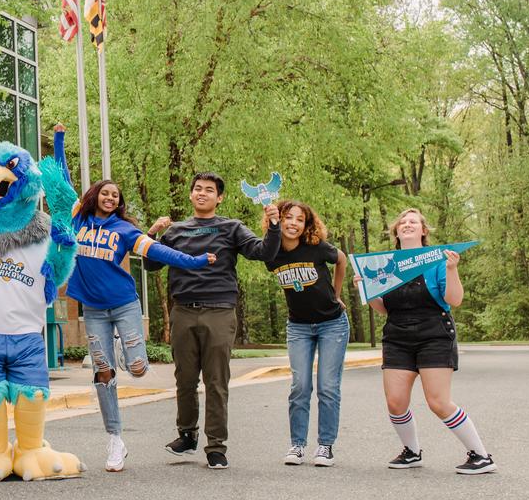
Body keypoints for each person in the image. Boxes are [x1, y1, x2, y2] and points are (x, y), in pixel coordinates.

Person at [66, 179, 214, 472]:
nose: (110, 198)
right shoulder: (77, 220)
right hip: (94, 311)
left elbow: (159, 252)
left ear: (118, 202)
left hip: (124, 305)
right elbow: (62, 181)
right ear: (95, 196)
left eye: (115, 195)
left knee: (138, 369)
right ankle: (115, 440)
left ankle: (124, 349)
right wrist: (58, 140)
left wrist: (194, 262)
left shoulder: (124, 230)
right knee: (102, 372)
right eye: (105, 193)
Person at [145, 172, 280, 469]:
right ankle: (186, 435)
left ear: (219, 198)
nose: (202, 193)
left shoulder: (231, 228)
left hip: (218, 309)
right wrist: (152, 232)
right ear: (191, 195)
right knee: (184, 378)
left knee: (216, 381)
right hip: (183, 310)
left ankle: (216, 446)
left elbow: (263, 252)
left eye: (209, 190)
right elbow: (151, 263)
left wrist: (273, 225)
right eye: (197, 189)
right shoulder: (176, 231)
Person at [360, 208, 495, 474]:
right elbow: (384, 308)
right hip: (397, 336)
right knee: (395, 402)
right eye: (403, 222)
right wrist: (365, 289)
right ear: (396, 231)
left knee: (438, 402)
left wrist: (452, 269)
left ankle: (481, 455)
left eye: (413, 221)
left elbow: (454, 300)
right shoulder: (386, 263)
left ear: (423, 231)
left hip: (434, 334)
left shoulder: (437, 261)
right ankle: (411, 452)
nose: (407, 224)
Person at [261, 200, 349, 467]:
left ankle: (325, 446)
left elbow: (341, 259)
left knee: (327, 387)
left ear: (306, 225)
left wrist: (336, 293)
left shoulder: (317, 247)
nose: (294, 223)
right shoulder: (271, 254)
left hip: (332, 323)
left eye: (300, 219)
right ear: (278, 220)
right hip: (298, 326)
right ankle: (297, 445)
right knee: (300, 387)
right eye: (289, 217)